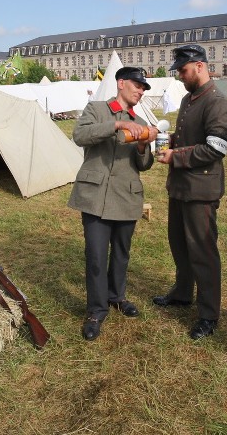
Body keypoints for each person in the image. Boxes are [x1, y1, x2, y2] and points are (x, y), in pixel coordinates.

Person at [68, 67, 158, 341]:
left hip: (126, 195)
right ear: (121, 83)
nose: (141, 91)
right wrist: (117, 125)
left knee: (121, 253)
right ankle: (96, 309)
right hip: (95, 196)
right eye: (137, 85)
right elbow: (80, 136)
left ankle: (117, 296)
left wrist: (143, 146)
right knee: (96, 255)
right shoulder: (96, 109)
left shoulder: (140, 120)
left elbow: (143, 165)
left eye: (144, 88)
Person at [153, 45, 227, 340]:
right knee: (179, 244)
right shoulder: (189, 99)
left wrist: (176, 155)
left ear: (200, 66)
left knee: (203, 252)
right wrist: (167, 139)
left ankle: (209, 314)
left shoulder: (217, 102)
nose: (180, 76)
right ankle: (183, 292)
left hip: (201, 190)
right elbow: (189, 136)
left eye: (183, 71)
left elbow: (216, 148)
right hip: (180, 188)